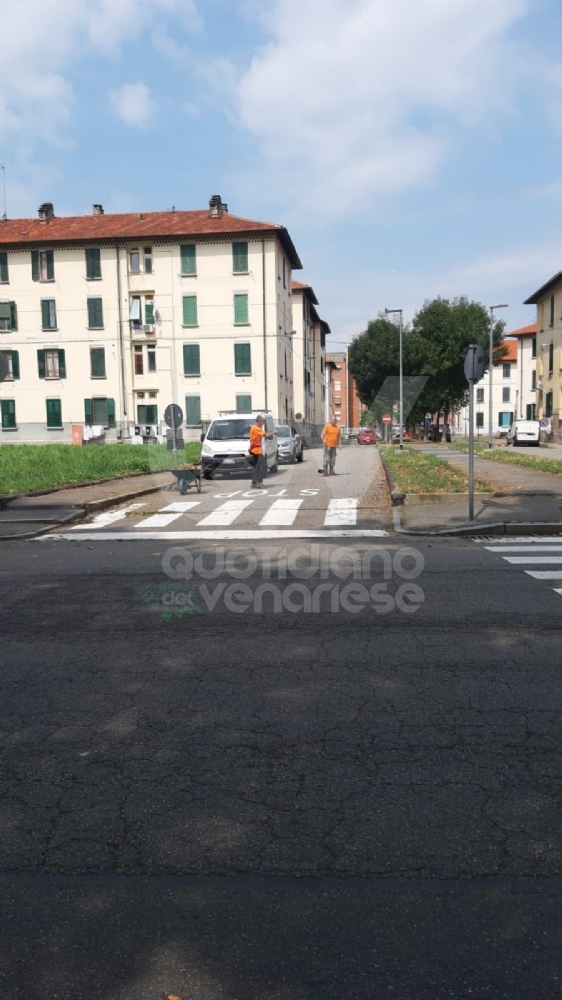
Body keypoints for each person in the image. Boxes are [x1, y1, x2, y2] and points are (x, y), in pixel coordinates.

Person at [249, 415, 274, 488]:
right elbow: (266, 435)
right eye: (263, 421)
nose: (263, 423)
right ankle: (260, 482)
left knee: (256, 467)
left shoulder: (253, 428)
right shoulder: (257, 428)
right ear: (259, 421)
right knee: (264, 465)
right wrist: (274, 432)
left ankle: (254, 483)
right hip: (257, 450)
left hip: (253, 449)